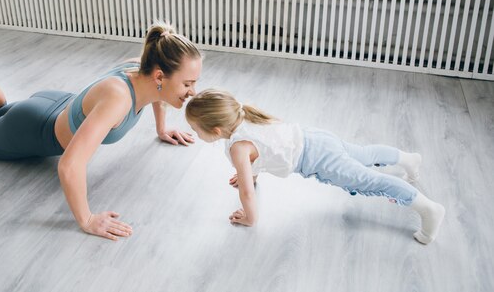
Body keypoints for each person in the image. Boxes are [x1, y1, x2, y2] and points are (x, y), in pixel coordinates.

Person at [0, 19, 202, 241]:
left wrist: (162, 129)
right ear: (160, 75)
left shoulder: (141, 69)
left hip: (51, 105)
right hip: (34, 130)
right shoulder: (119, 100)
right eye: (188, 83)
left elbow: (156, 95)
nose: (192, 91)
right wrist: (87, 219)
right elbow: (69, 165)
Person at [185, 88, 446, 245]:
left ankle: (429, 209)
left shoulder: (237, 148)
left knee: (370, 181)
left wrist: (250, 217)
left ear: (216, 129)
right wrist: (249, 174)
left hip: (319, 159)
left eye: (196, 130)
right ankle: (409, 159)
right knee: (363, 155)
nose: (196, 134)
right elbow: (263, 153)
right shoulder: (241, 117)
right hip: (315, 138)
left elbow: (247, 194)